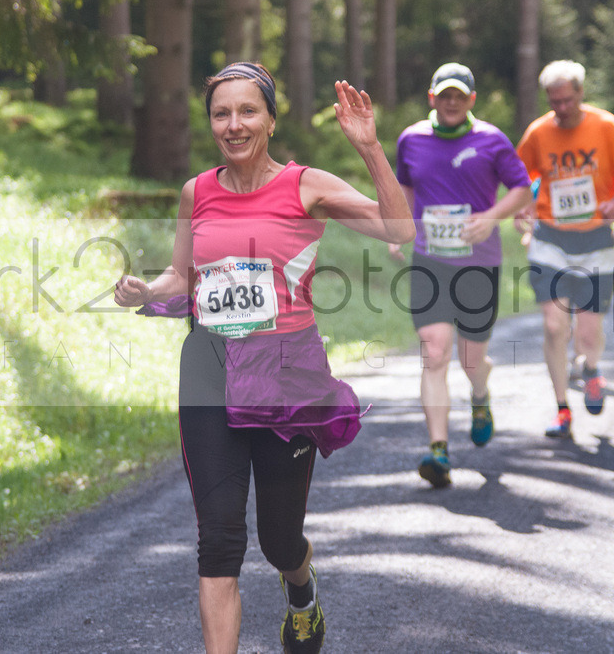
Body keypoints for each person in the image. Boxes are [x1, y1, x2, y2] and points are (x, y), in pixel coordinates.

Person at [114, 63, 413, 654]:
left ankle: (299, 589)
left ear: (271, 120)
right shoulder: (196, 191)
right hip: (209, 367)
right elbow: (182, 273)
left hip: (285, 374)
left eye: (248, 111)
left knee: (279, 540)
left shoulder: (307, 186)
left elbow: (396, 226)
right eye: (221, 113)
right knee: (219, 540)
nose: (234, 124)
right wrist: (149, 291)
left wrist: (370, 147)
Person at [392, 62, 532, 488]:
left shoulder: (491, 139)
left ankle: (480, 394)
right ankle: (438, 451)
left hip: (478, 263)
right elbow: (405, 186)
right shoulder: (411, 138)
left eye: (459, 96)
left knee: (472, 358)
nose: (451, 102)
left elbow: (522, 188)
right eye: (444, 95)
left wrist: (492, 217)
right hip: (430, 259)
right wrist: (397, 229)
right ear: (432, 98)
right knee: (434, 351)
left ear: (471, 100)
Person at [515, 60, 614, 439]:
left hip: (596, 241)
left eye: (568, 100)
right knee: (555, 325)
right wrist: (522, 206)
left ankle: (590, 367)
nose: (561, 109)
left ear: (580, 94)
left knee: (588, 332)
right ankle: (561, 409)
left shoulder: (605, 125)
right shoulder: (538, 132)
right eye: (554, 102)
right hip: (550, 239)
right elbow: (520, 176)